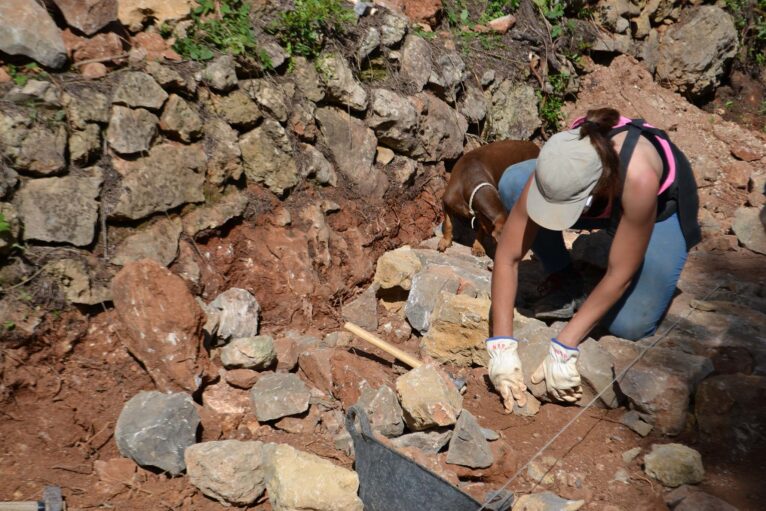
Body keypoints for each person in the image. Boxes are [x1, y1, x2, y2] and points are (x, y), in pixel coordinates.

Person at [485, 107, 701, 410]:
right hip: (598, 195)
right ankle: (565, 276)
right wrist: (501, 348)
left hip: (658, 209)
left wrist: (564, 346)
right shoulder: (558, 162)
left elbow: (618, 274)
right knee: (512, 182)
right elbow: (508, 256)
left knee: (630, 325)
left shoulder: (640, 179)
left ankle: (612, 270)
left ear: (596, 189)